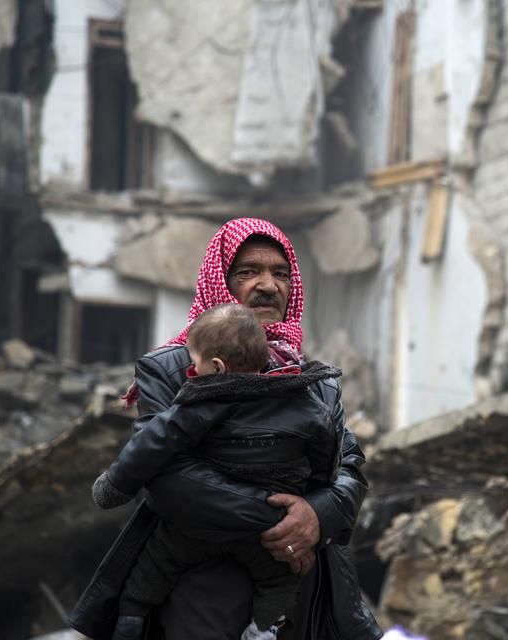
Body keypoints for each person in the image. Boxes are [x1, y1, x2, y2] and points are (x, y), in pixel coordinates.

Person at [69, 217, 383, 640]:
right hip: (205, 584)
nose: (268, 285)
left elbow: (349, 465)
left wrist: (318, 515)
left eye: (280, 273)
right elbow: (167, 478)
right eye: (248, 271)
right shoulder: (173, 369)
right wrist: (286, 520)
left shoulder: (313, 378)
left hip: (300, 583)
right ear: (219, 282)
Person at [92, 303, 344, 640]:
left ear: (217, 366)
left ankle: (130, 618)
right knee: (282, 579)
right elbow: (329, 454)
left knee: (154, 561)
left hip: (195, 530)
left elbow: (153, 446)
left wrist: (115, 485)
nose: (190, 371)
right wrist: (305, 500)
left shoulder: (200, 402)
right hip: (267, 538)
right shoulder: (302, 395)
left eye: (193, 364)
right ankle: (265, 629)